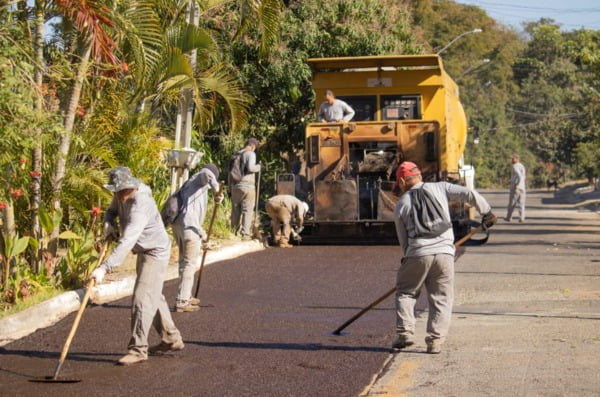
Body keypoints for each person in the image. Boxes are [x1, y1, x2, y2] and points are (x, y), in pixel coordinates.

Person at [392, 161, 496, 354]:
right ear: (419, 176)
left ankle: (405, 332)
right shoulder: (440, 187)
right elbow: (469, 194)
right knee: (441, 297)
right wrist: (487, 212)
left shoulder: (401, 204)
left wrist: (409, 259)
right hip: (445, 254)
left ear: (401, 181)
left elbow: (403, 241)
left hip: (417, 253)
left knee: (406, 292)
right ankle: (435, 342)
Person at [90, 167, 184, 366]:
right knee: (152, 295)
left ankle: (138, 349)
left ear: (130, 187)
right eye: (115, 192)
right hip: (144, 249)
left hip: (154, 251)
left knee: (142, 298)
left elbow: (127, 241)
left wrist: (104, 268)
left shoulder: (141, 205)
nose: (117, 196)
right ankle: (171, 338)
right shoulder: (120, 195)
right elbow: (111, 211)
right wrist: (108, 222)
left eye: (120, 192)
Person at [172, 164, 223, 313]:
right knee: (189, 264)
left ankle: (185, 295)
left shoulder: (192, 185)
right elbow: (207, 173)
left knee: (184, 262)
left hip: (180, 225)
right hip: (189, 227)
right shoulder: (199, 179)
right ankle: (182, 302)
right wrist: (217, 190)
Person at [230, 138, 261, 240]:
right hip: (247, 186)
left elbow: (230, 172)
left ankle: (233, 233)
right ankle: (245, 234)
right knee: (247, 210)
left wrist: (230, 187)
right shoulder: (251, 154)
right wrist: (259, 167)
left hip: (235, 186)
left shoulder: (236, 155)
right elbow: (251, 168)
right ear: (252, 146)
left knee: (235, 210)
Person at [505, 155, 526, 222]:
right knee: (521, 203)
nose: (512, 160)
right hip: (522, 187)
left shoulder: (515, 166)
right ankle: (521, 218)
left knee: (512, 202)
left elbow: (519, 175)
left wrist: (517, 184)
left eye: (513, 159)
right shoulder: (521, 166)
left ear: (517, 159)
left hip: (516, 187)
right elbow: (523, 176)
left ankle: (509, 217)